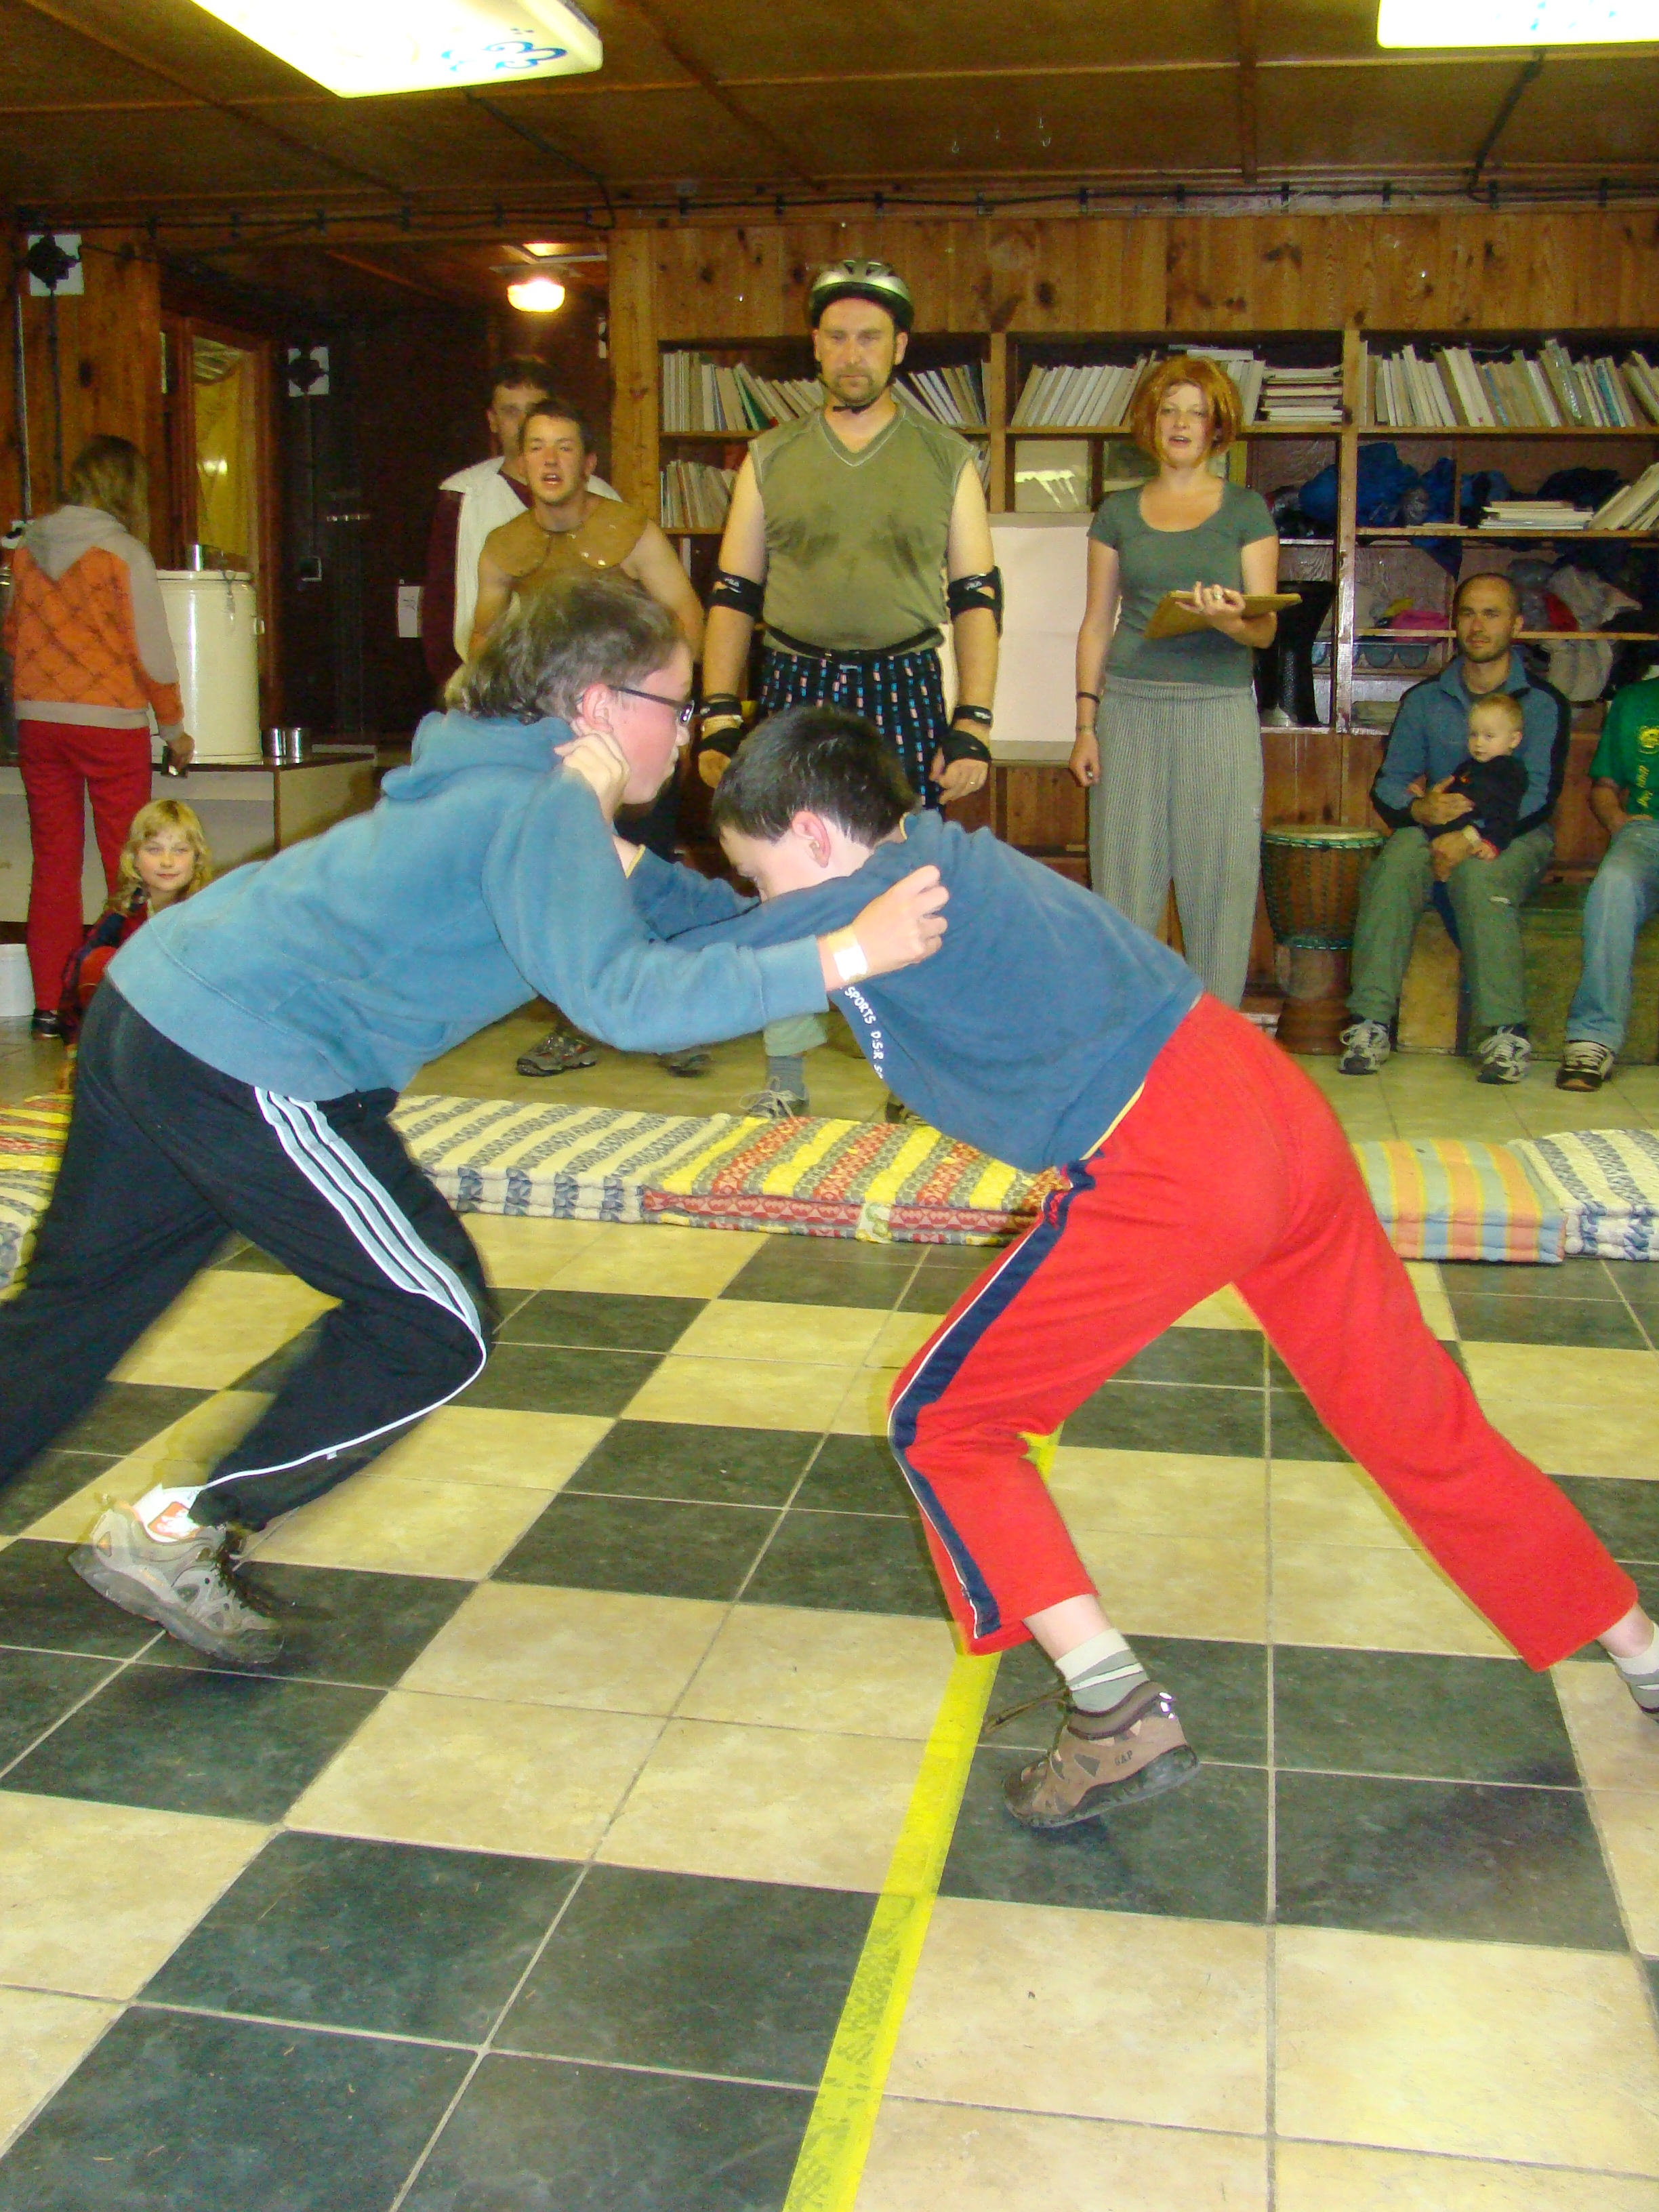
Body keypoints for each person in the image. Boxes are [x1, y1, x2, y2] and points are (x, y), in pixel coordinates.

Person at [604, 703, 1659, 1828]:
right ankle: (1642, 1649)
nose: (763, 897)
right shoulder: (926, 859)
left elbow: (662, 983)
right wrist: (616, 857)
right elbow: (733, 925)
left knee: (946, 1420)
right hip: (1268, 1108)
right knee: (1415, 1420)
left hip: (1175, 1153)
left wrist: (565, 842)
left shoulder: (873, 897)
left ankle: (1113, 1710)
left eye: (762, 872)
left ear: (815, 835)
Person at [0, 577, 947, 1668]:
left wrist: (824, 921)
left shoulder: (505, 778)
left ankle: (173, 1529)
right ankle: (182, 1532)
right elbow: (626, 1003)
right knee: (433, 1320)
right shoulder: (544, 807)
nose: (687, 734)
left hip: (153, 1008)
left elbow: (665, 913)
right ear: (598, 705)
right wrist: (847, 954)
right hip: (247, 1053)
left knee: (75, 1310)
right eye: (674, 706)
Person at [695, 256, 998, 1117]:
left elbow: (977, 595)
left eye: (870, 337)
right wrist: (717, 716)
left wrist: (973, 721)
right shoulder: (770, 457)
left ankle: (913, 1079)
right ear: (816, 346)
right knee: (785, 879)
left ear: (899, 348)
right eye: (837, 337)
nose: (852, 353)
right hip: (797, 679)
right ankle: (785, 1076)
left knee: (909, 880)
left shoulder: (947, 458)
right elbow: (734, 593)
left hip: (905, 680)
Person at [470, 396, 712, 1082]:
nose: (550, 461)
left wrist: (662, 712)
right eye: (536, 447)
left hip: (634, 731)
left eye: (565, 447)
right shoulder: (503, 547)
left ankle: (669, 1020)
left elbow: (685, 616)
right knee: (566, 874)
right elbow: (485, 640)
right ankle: (574, 1022)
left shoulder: (632, 534)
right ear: (520, 463)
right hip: (556, 737)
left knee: (646, 869)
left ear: (588, 462)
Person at [1069, 356, 1279, 1009]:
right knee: (1124, 886)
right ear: (1150, 421)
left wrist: (1227, 620)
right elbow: (1096, 623)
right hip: (1130, 710)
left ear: (1217, 426)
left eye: (1196, 411)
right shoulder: (1118, 512)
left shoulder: (1247, 510)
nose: (1181, 423)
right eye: (1168, 410)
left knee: (1219, 887)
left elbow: (1265, 630)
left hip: (1219, 711)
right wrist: (1085, 726)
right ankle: (1130, 1041)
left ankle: (1215, 1045)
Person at [1339, 572, 1570, 1086]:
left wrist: (1471, 838)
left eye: (1492, 614)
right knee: (1394, 865)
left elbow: (1539, 796)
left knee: (1480, 878)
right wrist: (1420, 810)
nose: (1478, 626)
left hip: (1514, 831)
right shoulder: (1424, 699)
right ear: (1454, 622)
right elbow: (1390, 783)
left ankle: (1504, 1032)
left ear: (1516, 624)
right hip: (1435, 824)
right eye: (1468, 613)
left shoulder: (1542, 703)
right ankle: (1370, 1023)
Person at [3, 435, 193, 1039]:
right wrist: (173, 727)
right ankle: (127, 1003)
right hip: (108, 723)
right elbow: (151, 653)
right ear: (126, 488)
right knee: (131, 864)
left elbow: (11, 637)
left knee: (54, 864)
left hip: (39, 722)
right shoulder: (123, 553)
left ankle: (49, 1005)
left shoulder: (25, 552)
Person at [419, 356, 620, 691]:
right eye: (510, 411)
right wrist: (451, 681)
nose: (523, 422)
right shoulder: (462, 496)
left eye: (533, 410)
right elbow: (441, 601)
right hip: (492, 678)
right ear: (493, 420)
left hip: (583, 676)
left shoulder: (601, 498)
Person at [1557, 669, 1659, 1092]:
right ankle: (1593, 1037)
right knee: (1613, 882)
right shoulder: (1635, 700)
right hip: (1647, 833)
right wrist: (1618, 822)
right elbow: (1605, 785)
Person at [60, 796, 213, 1029]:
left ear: (197, 859)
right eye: (154, 850)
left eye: (180, 850)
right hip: (133, 1018)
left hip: (189, 1021)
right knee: (97, 962)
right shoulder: (127, 910)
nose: (167, 862)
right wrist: (74, 1034)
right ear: (134, 859)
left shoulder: (206, 913)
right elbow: (80, 965)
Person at [1424, 689, 1530, 873]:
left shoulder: (1509, 771)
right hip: (1444, 829)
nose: (1479, 743)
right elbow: (1447, 791)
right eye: (1474, 735)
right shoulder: (1468, 766)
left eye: (1489, 736)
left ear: (1513, 740)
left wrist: (1494, 842)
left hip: (1477, 836)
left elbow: (1507, 812)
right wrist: (1429, 797)